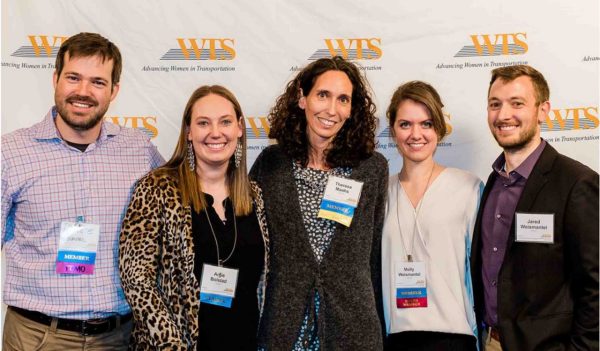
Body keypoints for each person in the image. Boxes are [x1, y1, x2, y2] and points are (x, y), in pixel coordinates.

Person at [1, 32, 164, 350]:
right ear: (55, 79)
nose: (83, 92)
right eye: (73, 77)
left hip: (119, 337)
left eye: (98, 82)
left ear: (114, 90)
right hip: (36, 337)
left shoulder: (140, 150)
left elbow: (180, 211)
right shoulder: (9, 153)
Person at [250, 56, 388, 350]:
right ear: (302, 97)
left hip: (353, 327)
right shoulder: (271, 164)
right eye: (323, 95)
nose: (331, 109)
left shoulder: (372, 168)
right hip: (284, 328)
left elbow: (373, 254)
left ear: (352, 109)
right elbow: (250, 243)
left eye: (343, 99)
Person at [119, 85, 269, 350]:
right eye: (203, 123)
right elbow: (136, 280)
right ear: (189, 132)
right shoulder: (158, 188)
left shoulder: (253, 194)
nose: (215, 132)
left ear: (239, 128)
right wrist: (170, 344)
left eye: (225, 122)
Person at [471, 65, 599, 350]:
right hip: (490, 342)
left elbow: (595, 286)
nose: (503, 115)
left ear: (543, 110)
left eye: (517, 103)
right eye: (495, 104)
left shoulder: (577, 183)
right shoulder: (492, 182)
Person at [381, 81, 481, 351]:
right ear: (393, 130)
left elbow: (484, 269)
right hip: (395, 338)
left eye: (426, 124)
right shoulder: (380, 192)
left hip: (453, 336)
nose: (416, 134)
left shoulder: (468, 187)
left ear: (438, 127)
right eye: (405, 124)